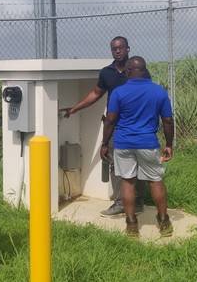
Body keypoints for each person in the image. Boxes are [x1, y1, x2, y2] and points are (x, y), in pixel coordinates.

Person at [61, 36, 145, 217]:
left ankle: (137, 201)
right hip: (116, 126)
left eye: (120, 47)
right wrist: (75, 108)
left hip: (136, 125)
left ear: (128, 49)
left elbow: (146, 94)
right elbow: (95, 93)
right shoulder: (107, 73)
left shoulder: (137, 70)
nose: (117, 51)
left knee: (137, 163)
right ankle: (120, 202)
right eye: (114, 48)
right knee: (115, 164)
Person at [100, 56, 174, 238]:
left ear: (128, 71)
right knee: (155, 181)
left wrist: (104, 144)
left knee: (127, 182)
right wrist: (169, 144)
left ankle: (132, 224)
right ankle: (163, 221)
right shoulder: (159, 91)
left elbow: (110, 120)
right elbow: (167, 120)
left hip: (123, 143)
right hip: (148, 143)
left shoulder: (118, 92)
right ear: (144, 70)